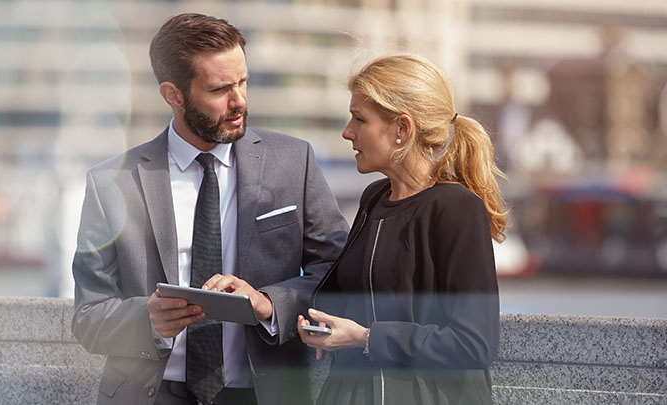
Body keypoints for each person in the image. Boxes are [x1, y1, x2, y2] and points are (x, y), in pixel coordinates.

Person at [71, 13, 348, 405]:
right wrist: (147, 321)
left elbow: (338, 270)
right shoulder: (112, 183)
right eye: (220, 89)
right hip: (150, 395)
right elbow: (87, 316)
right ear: (173, 95)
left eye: (243, 82)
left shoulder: (293, 161)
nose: (239, 101)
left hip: (262, 393)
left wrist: (269, 303)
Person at [297, 54, 507, 404]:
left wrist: (365, 338)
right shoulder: (373, 198)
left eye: (360, 119)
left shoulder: (456, 208)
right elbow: (355, 296)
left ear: (401, 130)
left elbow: (475, 343)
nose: (348, 132)